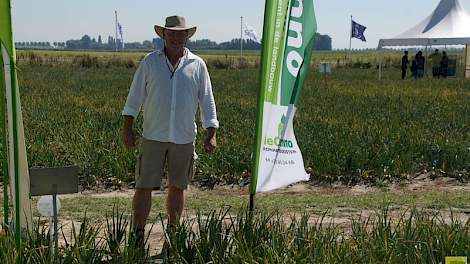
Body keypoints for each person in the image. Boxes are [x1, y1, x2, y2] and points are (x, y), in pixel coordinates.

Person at [121, 16, 219, 250]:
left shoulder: (198, 65)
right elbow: (134, 98)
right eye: (171, 33)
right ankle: (137, 237)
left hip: (184, 137)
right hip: (153, 135)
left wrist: (211, 132)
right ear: (163, 35)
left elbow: (207, 100)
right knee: (144, 186)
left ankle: (172, 238)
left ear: (187, 36)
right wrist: (127, 128)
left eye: (180, 33)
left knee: (178, 187)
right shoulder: (149, 62)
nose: (176, 37)